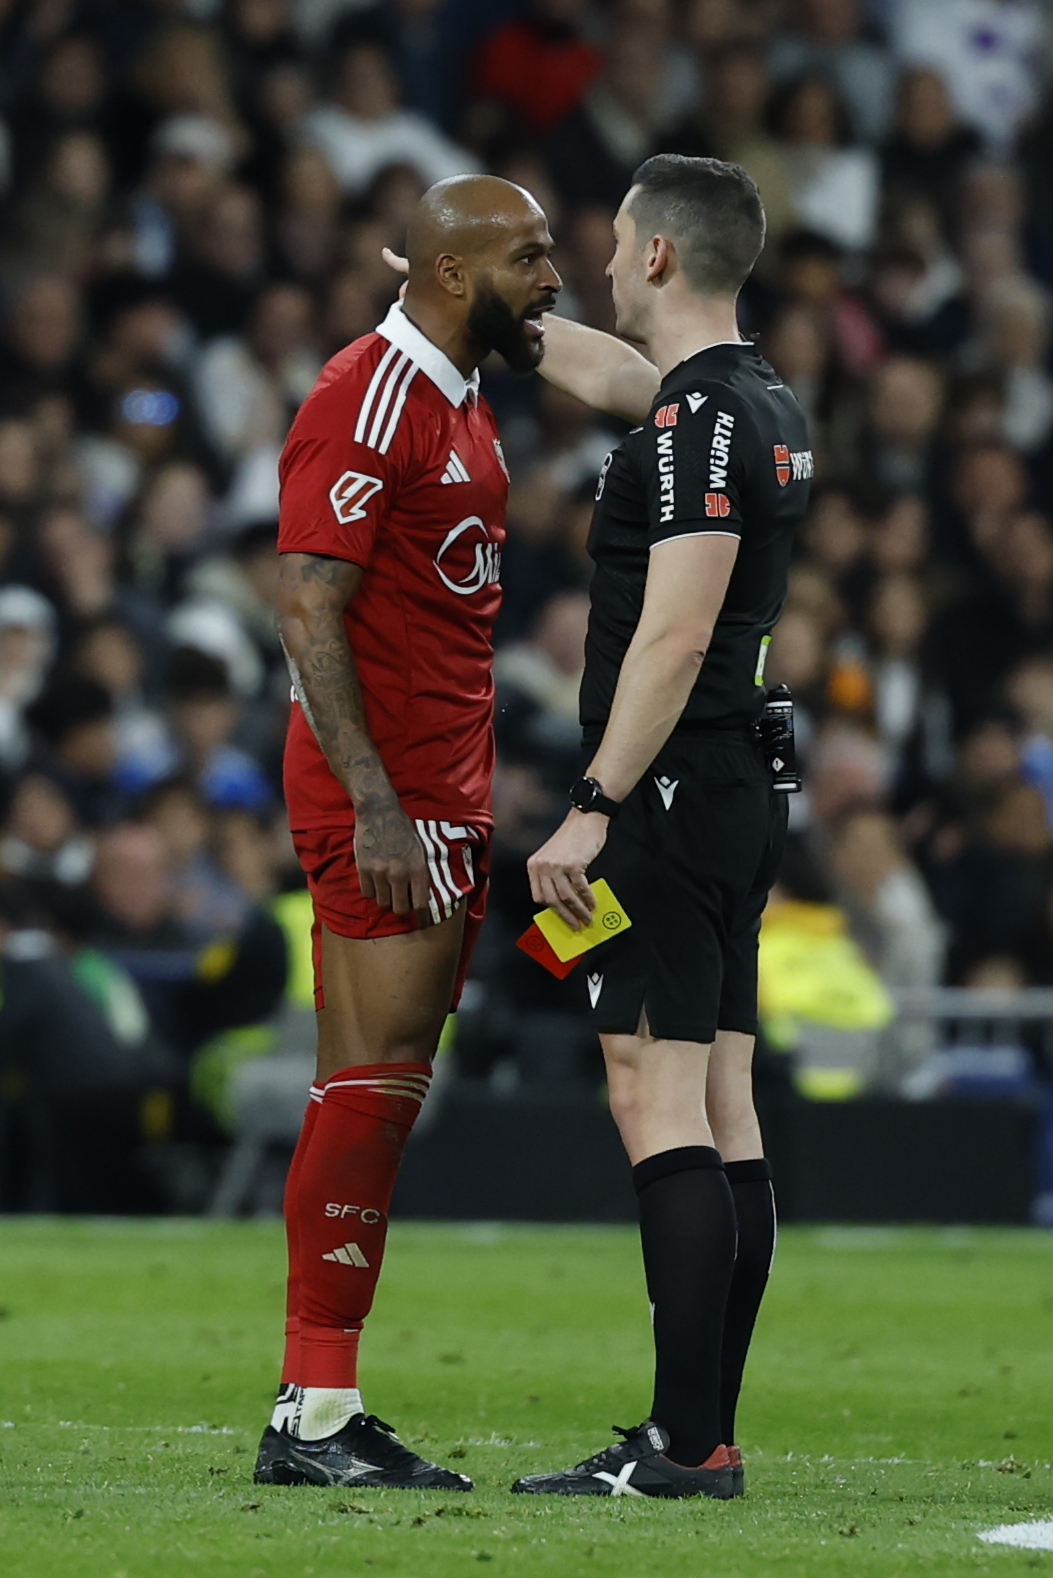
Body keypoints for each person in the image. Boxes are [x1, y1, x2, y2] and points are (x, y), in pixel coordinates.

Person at [254, 173, 561, 1492]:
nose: (551, 277)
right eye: (532, 256)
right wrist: (375, 798)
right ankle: (316, 1410)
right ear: (453, 274)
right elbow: (306, 606)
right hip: (388, 798)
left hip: (443, 789)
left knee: (379, 1088)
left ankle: (315, 1403)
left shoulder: (462, 399)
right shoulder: (368, 396)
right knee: (373, 1092)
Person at [515, 155, 813, 1499]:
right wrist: (473, 318)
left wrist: (591, 807)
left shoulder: (698, 425)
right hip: (733, 785)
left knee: (655, 1091)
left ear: (651, 258)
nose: (600, 252)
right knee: (723, 1096)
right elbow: (612, 383)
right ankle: (699, 1427)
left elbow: (679, 626)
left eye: (614, 236)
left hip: (671, 786)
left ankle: (682, 1444)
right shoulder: (747, 399)